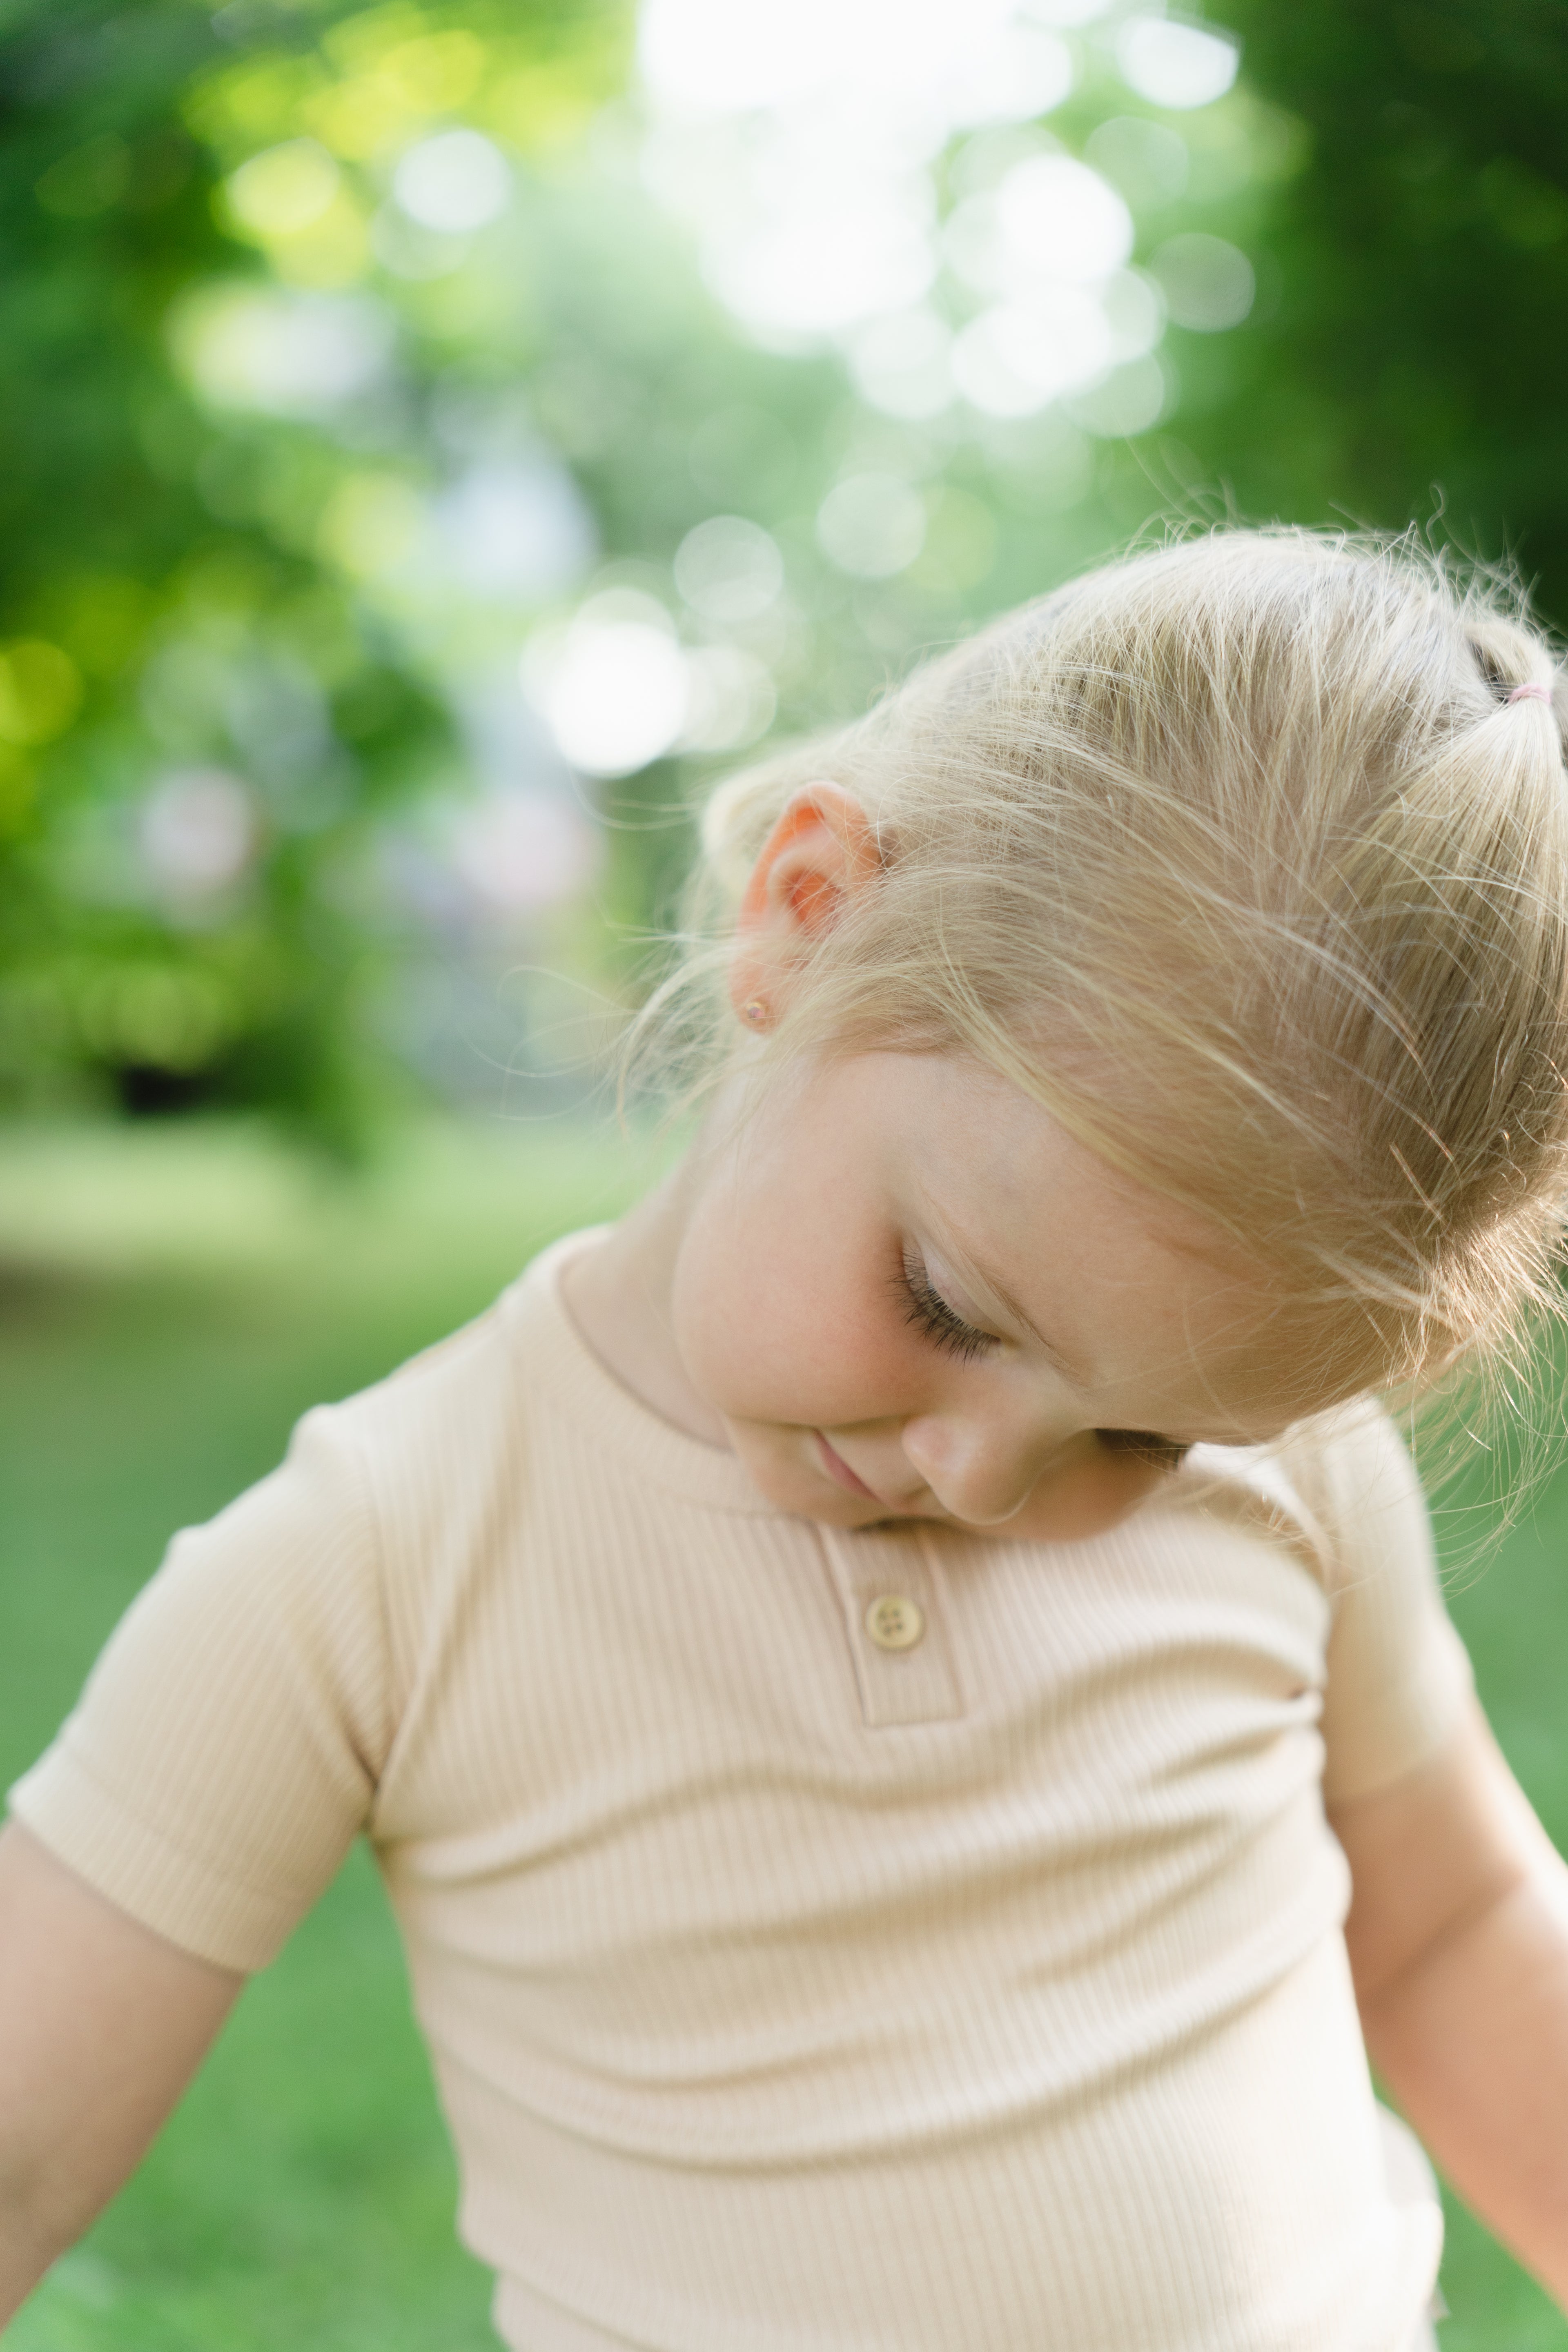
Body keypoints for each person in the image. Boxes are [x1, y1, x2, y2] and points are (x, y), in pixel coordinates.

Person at [4, 526, 1568, 2351]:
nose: (993, 1477)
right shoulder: (383, 1555)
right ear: (810, 917)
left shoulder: (1288, 1478)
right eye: (952, 1309)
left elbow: (1454, 1932)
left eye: (1145, 1436)